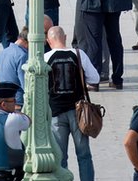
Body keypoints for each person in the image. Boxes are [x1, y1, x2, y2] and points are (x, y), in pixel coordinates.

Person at [45, 25, 99, 181]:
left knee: (60, 156)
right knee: (84, 154)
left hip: (56, 112)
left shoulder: (45, 58)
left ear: (49, 41)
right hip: (78, 112)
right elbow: (94, 79)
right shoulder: (78, 54)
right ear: (65, 37)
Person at [0, 26, 29, 108]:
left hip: (3, 97)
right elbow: (25, 84)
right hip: (17, 101)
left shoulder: (3, 52)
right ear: (27, 42)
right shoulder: (22, 56)